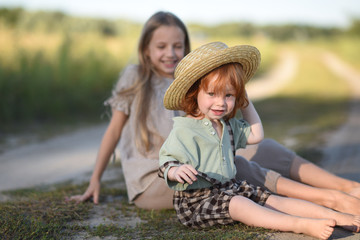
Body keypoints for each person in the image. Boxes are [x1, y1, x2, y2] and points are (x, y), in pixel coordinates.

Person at [67, 11, 360, 214]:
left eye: (177, 46)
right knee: (242, 169)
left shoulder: (194, 83)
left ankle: (346, 188)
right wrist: (96, 179)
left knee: (265, 147)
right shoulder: (135, 77)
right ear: (146, 49)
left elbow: (219, 128)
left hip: (201, 162)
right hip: (159, 177)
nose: (170, 52)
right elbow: (114, 131)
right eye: (161, 46)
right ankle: (329, 200)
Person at [158, 41, 360, 239]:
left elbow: (257, 135)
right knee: (239, 204)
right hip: (198, 201)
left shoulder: (226, 125)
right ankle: (300, 224)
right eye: (212, 94)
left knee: (273, 200)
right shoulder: (184, 129)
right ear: (194, 94)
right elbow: (166, 162)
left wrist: (244, 100)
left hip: (229, 188)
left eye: (229, 95)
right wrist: (176, 171)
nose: (221, 102)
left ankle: (337, 216)